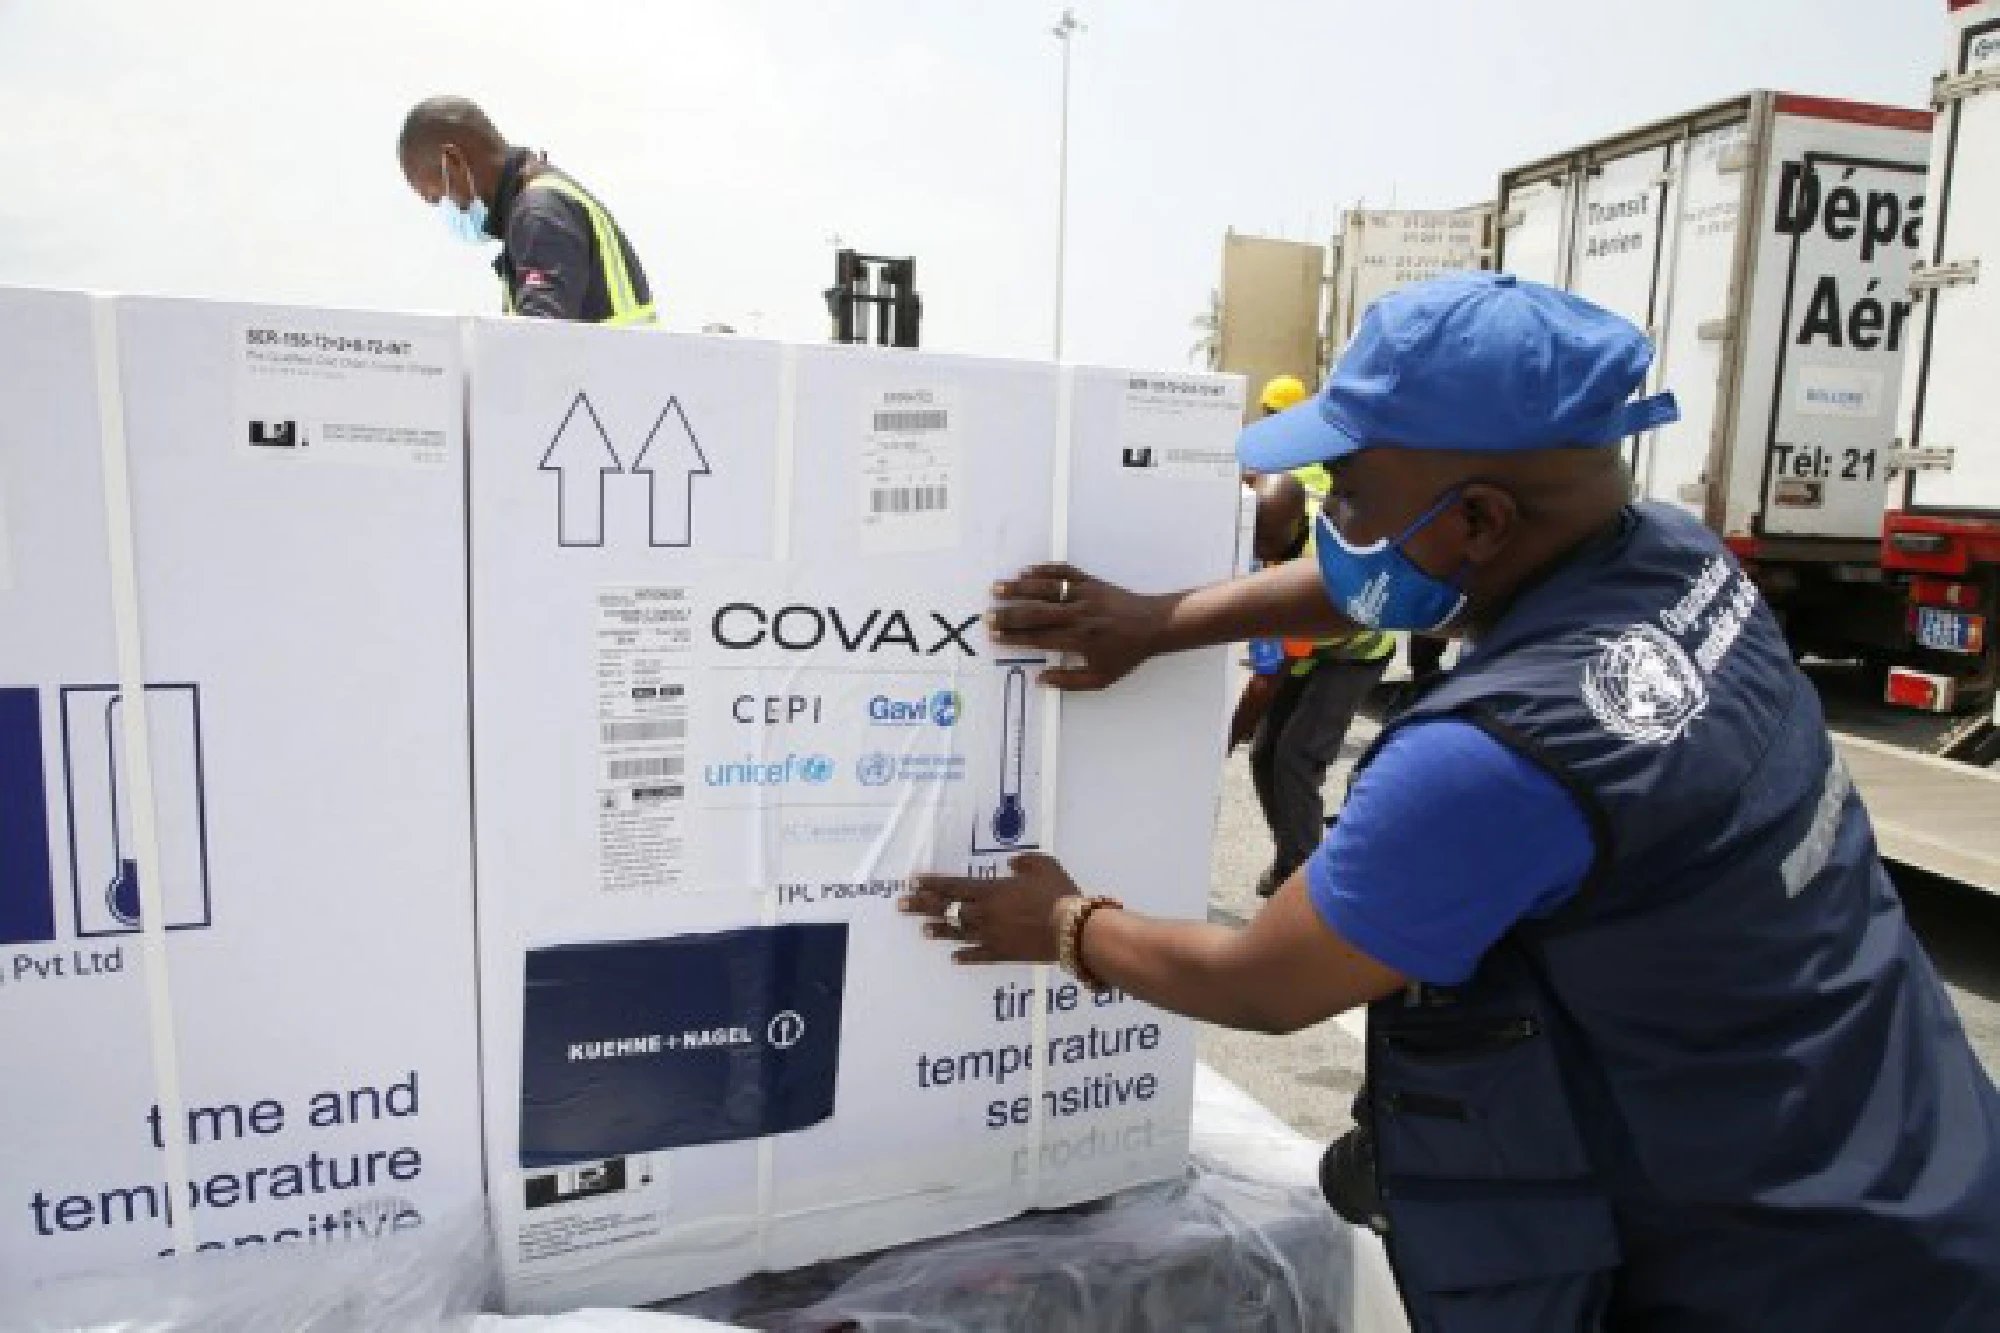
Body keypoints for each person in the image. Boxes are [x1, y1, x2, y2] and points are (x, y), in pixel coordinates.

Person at [902, 272, 2000, 1330]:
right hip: (1913, 1165)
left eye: (1355, 501)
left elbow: (1269, 978)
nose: (1340, 525)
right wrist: (1157, 620)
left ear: (1477, 520)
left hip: (1771, 1275)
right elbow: (1371, 578)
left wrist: (1063, 924)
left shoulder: (1492, 757)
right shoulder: (1673, 556)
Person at [1231, 472, 1394, 896]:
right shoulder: (1273, 521)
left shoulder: (1317, 575)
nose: (1255, 549)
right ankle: (1293, 858)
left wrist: (1226, 738)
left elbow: (1268, 679)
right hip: (1305, 652)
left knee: (1296, 758)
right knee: (1265, 753)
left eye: (1263, 542)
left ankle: (1303, 883)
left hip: (1354, 655)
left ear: (1290, 528)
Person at [397, 96, 657, 326]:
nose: (444, 208)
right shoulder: (541, 200)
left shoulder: (540, 214)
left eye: (435, 196)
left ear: (453, 161)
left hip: (605, 379)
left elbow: (536, 340)